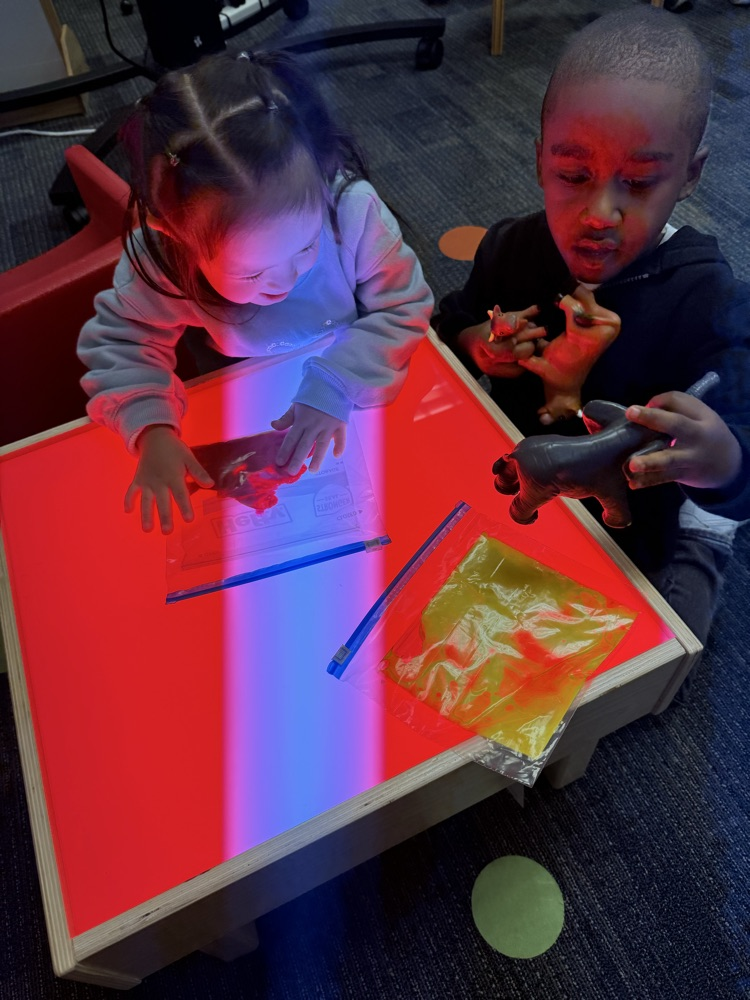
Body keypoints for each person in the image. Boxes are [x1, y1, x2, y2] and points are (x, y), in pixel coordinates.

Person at [434, 8, 750, 658]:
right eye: (573, 176)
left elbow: (740, 445)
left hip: (629, 519)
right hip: (517, 473)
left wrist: (720, 459)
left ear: (690, 175)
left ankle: (707, 534)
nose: (600, 213)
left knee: (663, 652)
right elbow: (452, 317)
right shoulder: (510, 247)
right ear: (540, 158)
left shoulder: (708, 299)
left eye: (636, 183)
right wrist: (476, 345)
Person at [78, 50, 433, 534]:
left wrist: (337, 382)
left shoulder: (352, 213)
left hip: (358, 391)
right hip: (240, 399)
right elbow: (123, 343)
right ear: (177, 236)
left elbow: (404, 307)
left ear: (323, 177)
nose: (284, 280)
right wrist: (152, 428)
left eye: (307, 247)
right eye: (250, 274)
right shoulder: (165, 257)